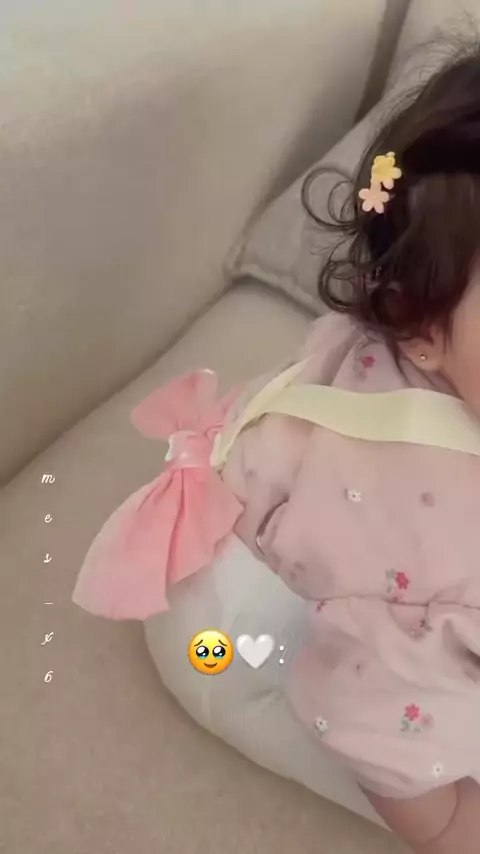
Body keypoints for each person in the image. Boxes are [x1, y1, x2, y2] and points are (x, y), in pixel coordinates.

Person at [73, 44, 480, 852]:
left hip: (274, 481)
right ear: (419, 325)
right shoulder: (443, 544)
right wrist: (451, 827)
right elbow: (374, 728)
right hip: (225, 634)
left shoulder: (432, 342)